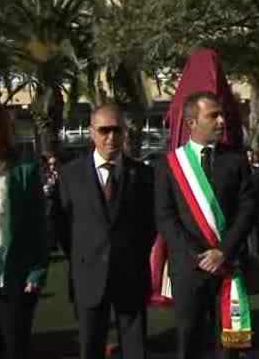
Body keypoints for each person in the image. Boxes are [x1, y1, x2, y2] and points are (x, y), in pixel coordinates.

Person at [155, 91, 256, 359]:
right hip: (189, 268)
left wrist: (223, 251)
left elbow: (248, 209)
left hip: (229, 264)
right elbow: (166, 217)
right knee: (190, 339)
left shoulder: (236, 159)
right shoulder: (169, 164)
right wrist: (196, 256)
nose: (222, 121)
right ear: (191, 122)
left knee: (230, 343)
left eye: (221, 114)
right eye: (213, 115)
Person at [54, 104, 155, 359]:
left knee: (135, 349)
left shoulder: (143, 175)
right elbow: (61, 225)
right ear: (91, 132)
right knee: (90, 347)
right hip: (88, 277)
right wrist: (83, 254)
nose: (111, 137)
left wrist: (132, 254)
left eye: (117, 130)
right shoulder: (69, 176)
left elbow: (150, 225)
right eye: (104, 130)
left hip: (131, 274)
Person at [0, 102, 48, 359]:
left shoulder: (23, 171)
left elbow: (38, 226)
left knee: (13, 348)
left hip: (12, 275)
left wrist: (36, 272)